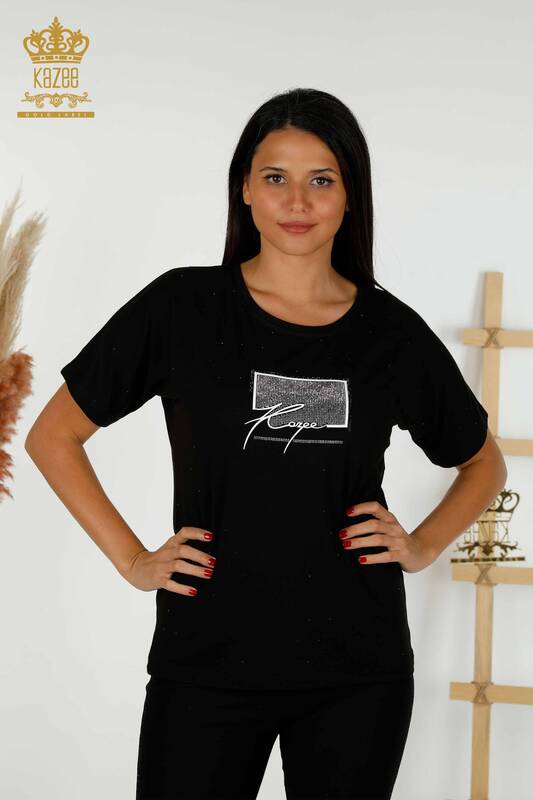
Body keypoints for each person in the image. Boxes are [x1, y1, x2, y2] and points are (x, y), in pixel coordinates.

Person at [25, 87, 507, 800]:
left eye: (322, 180)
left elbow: (482, 461)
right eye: (276, 177)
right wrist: (131, 559)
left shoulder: (391, 334)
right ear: (245, 188)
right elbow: (53, 435)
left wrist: (422, 545)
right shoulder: (181, 308)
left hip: (357, 670)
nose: (297, 201)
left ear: (350, 195)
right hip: (206, 661)